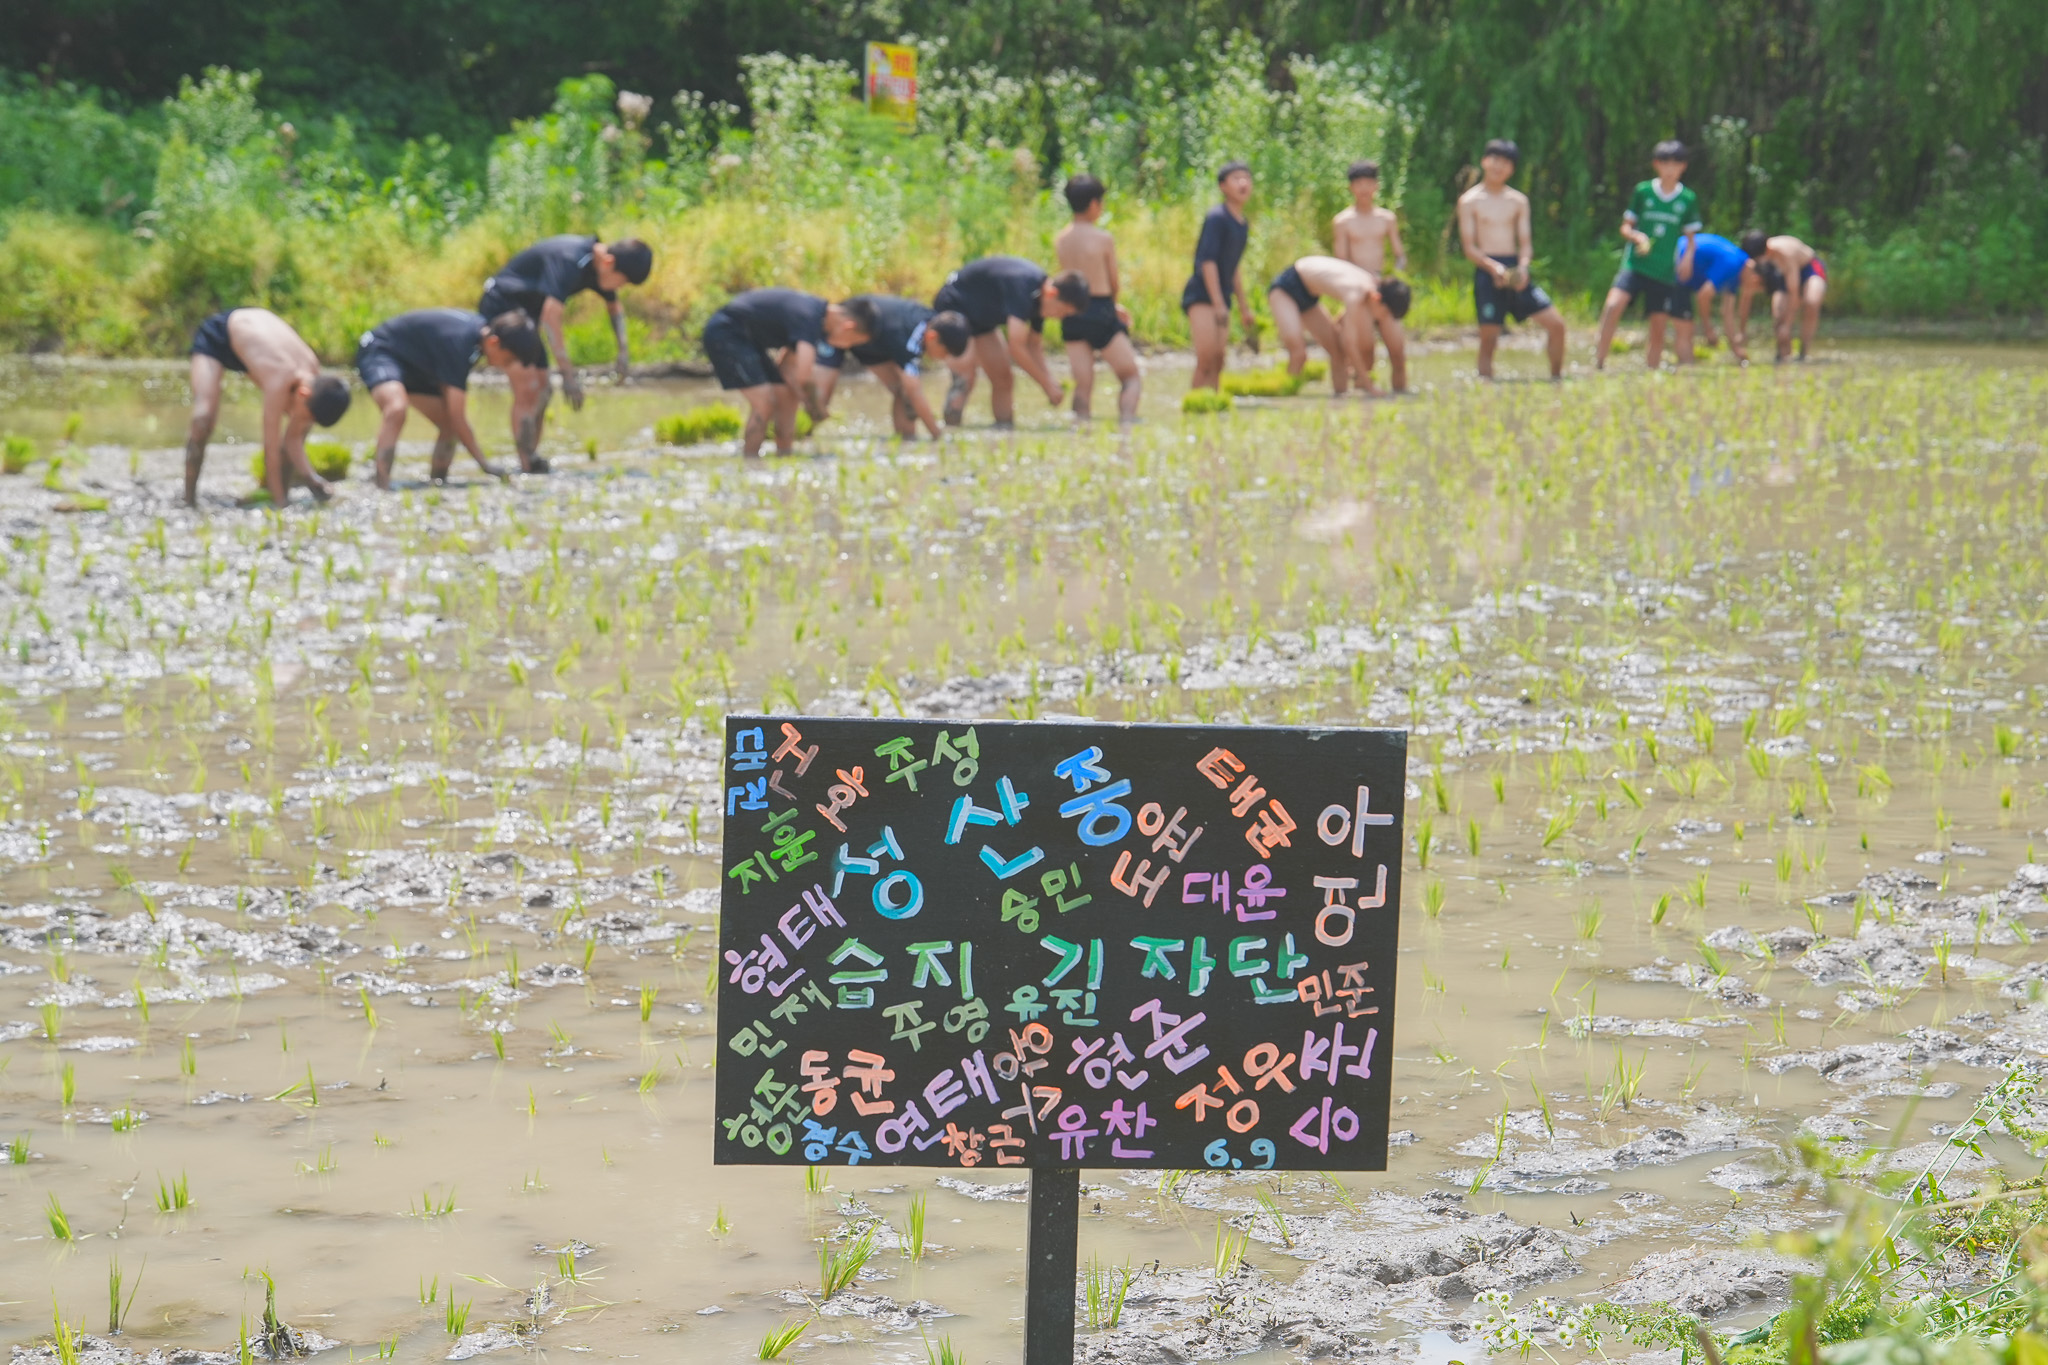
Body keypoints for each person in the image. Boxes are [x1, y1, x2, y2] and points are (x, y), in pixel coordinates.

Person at [355, 308, 551, 489]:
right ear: (494, 342)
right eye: (508, 360)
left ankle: (438, 482)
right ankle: (381, 484)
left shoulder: (475, 340)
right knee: (397, 408)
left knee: (449, 425)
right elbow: (459, 417)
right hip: (381, 351)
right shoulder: (460, 343)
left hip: (415, 368)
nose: (504, 366)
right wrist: (485, 465)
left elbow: (453, 418)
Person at [478, 234, 653, 427]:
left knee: (544, 390)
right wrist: (567, 376)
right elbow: (550, 318)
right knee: (530, 388)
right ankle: (526, 456)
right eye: (622, 282)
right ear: (609, 262)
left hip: (527, 318)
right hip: (502, 306)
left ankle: (531, 456)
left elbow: (614, 307)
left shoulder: (600, 267)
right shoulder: (571, 261)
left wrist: (623, 352)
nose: (620, 287)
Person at [185, 308, 352, 508]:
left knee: (295, 435)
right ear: (303, 394)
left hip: (252, 344)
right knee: (203, 418)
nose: (302, 421)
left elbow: (293, 439)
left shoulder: (316, 380)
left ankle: (281, 488)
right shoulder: (279, 381)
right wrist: (280, 504)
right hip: (219, 335)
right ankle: (188, 500)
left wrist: (311, 478)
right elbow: (270, 450)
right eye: (305, 416)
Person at [701, 290, 877, 456]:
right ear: (848, 327)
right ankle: (750, 463)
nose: (847, 347)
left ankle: (785, 455)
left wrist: (806, 401)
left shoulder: (815, 318)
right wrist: (816, 408)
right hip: (726, 332)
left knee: (786, 394)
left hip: (749, 340)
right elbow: (804, 377)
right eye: (852, 342)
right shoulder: (810, 318)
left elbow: (787, 369)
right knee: (765, 403)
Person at [1457, 139, 1566, 380]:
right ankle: (1486, 387)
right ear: (1485, 161)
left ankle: (1556, 379)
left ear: (1512, 169)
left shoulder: (1518, 201)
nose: (1499, 166)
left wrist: (1523, 269)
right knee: (1489, 338)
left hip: (1516, 268)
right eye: (1495, 159)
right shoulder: (1469, 201)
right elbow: (1469, 248)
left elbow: (1525, 244)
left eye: (1506, 163)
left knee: (1557, 325)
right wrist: (1493, 268)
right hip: (1487, 270)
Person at [931, 257, 1084, 427]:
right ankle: (950, 436)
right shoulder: (1024, 287)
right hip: (955, 306)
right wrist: (1045, 384)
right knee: (966, 376)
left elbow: (1033, 346)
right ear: (1052, 294)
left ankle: (1004, 432)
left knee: (1004, 379)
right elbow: (1016, 348)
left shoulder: (1041, 300)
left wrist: (1050, 380)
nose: (1059, 318)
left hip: (982, 319)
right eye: (1062, 312)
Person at [1594, 141, 1703, 370]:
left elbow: (1691, 237)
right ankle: (1599, 363)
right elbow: (1625, 227)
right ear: (1656, 165)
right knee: (1613, 306)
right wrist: (1637, 237)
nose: (1670, 168)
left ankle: (1652, 371)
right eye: (1665, 163)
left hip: (1664, 270)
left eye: (1675, 163)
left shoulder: (1688, 198)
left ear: (1683, 166)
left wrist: (1688, 258)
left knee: (1658, 325)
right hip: (1635, 264)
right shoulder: (1643, 191)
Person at [808, 298, 970, 440]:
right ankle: (798, 438)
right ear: (932, 337)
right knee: (819, 398)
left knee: (902, 391)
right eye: (945, 352)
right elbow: (914, 390)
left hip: (874, 346)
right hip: (845, 328)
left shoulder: (931, 321)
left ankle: (907, 440)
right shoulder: (911, 338)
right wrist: (937, 435)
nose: (944, 358)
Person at [1055, 174, 1142, 422]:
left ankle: (1080, 434)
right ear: (1094, 204)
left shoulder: (1061, 239)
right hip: (1100, 309)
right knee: (1130, 376)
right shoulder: (1103, 238)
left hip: (1071, 312)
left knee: (1083, 384)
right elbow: (1113, 282)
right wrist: (1114, 307)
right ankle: (1127, 427)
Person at [1267, 256, 1411, 395]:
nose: (1382, 318)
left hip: (1309, 297)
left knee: (1338, 352)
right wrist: (1369, 386)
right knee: (1299, 353)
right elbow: (1349, 343)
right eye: (1384, 314)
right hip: (1285, 289)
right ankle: (1285, 398)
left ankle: (1340, 397)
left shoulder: (1371, 286)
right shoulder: (1356, 295)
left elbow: (1343, 334)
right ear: (1377, 299)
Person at [1331, 160, 1410, 391]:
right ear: (1351, 188)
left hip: (1383, 292)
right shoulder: (1343, 222)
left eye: (1368, 183)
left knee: (1398, 353)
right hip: (1359, 293)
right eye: (1358, 184)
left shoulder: (1386, 219)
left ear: (1376, 186)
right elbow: (1341, 263)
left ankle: (1400, 399)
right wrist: (1362, 283)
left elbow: (1399, 256)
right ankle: (1363, 404)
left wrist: (1394, 277)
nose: (1364, 188)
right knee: (1366, 356)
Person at [1182, 161, 1259, 392]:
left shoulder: (1242, 223)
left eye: (1246, 178)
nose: (1243, 183)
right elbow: (1208, 261)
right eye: (1236, 179)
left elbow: (1233, 267)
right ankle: (1194, 407)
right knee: (1205, 359)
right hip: (1202, 295)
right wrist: (1217, 303)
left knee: (1218, 360)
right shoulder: (1217, 217)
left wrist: (1244, 308)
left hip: (1222, 296)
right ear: (1223, 186)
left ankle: (1212, 406)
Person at [1736, 230, 1827, 361]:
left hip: (1809, 269)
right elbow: (1747, 294)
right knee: (1779, 317)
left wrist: (1787, 326)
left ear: (1767, 249)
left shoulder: (1785, 252)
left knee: (1811, 302)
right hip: (1785, 277)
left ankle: (1803, 353)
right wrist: (1742, 330)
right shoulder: (1754, 259)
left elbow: (1793, 293)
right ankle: (1784, 356)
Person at [1678, 231, 1755, 360]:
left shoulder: (1738, 271)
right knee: (1684, 326)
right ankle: (1685, 365)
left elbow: (1727, 312)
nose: (1747, 288)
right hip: (1679, 258)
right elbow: (1703, 296)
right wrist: (1708, 329)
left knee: (1685, 325)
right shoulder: (1733, 263)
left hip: (1686, 265)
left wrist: (1736, 349)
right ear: (1755, 277)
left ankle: (1686, 363)